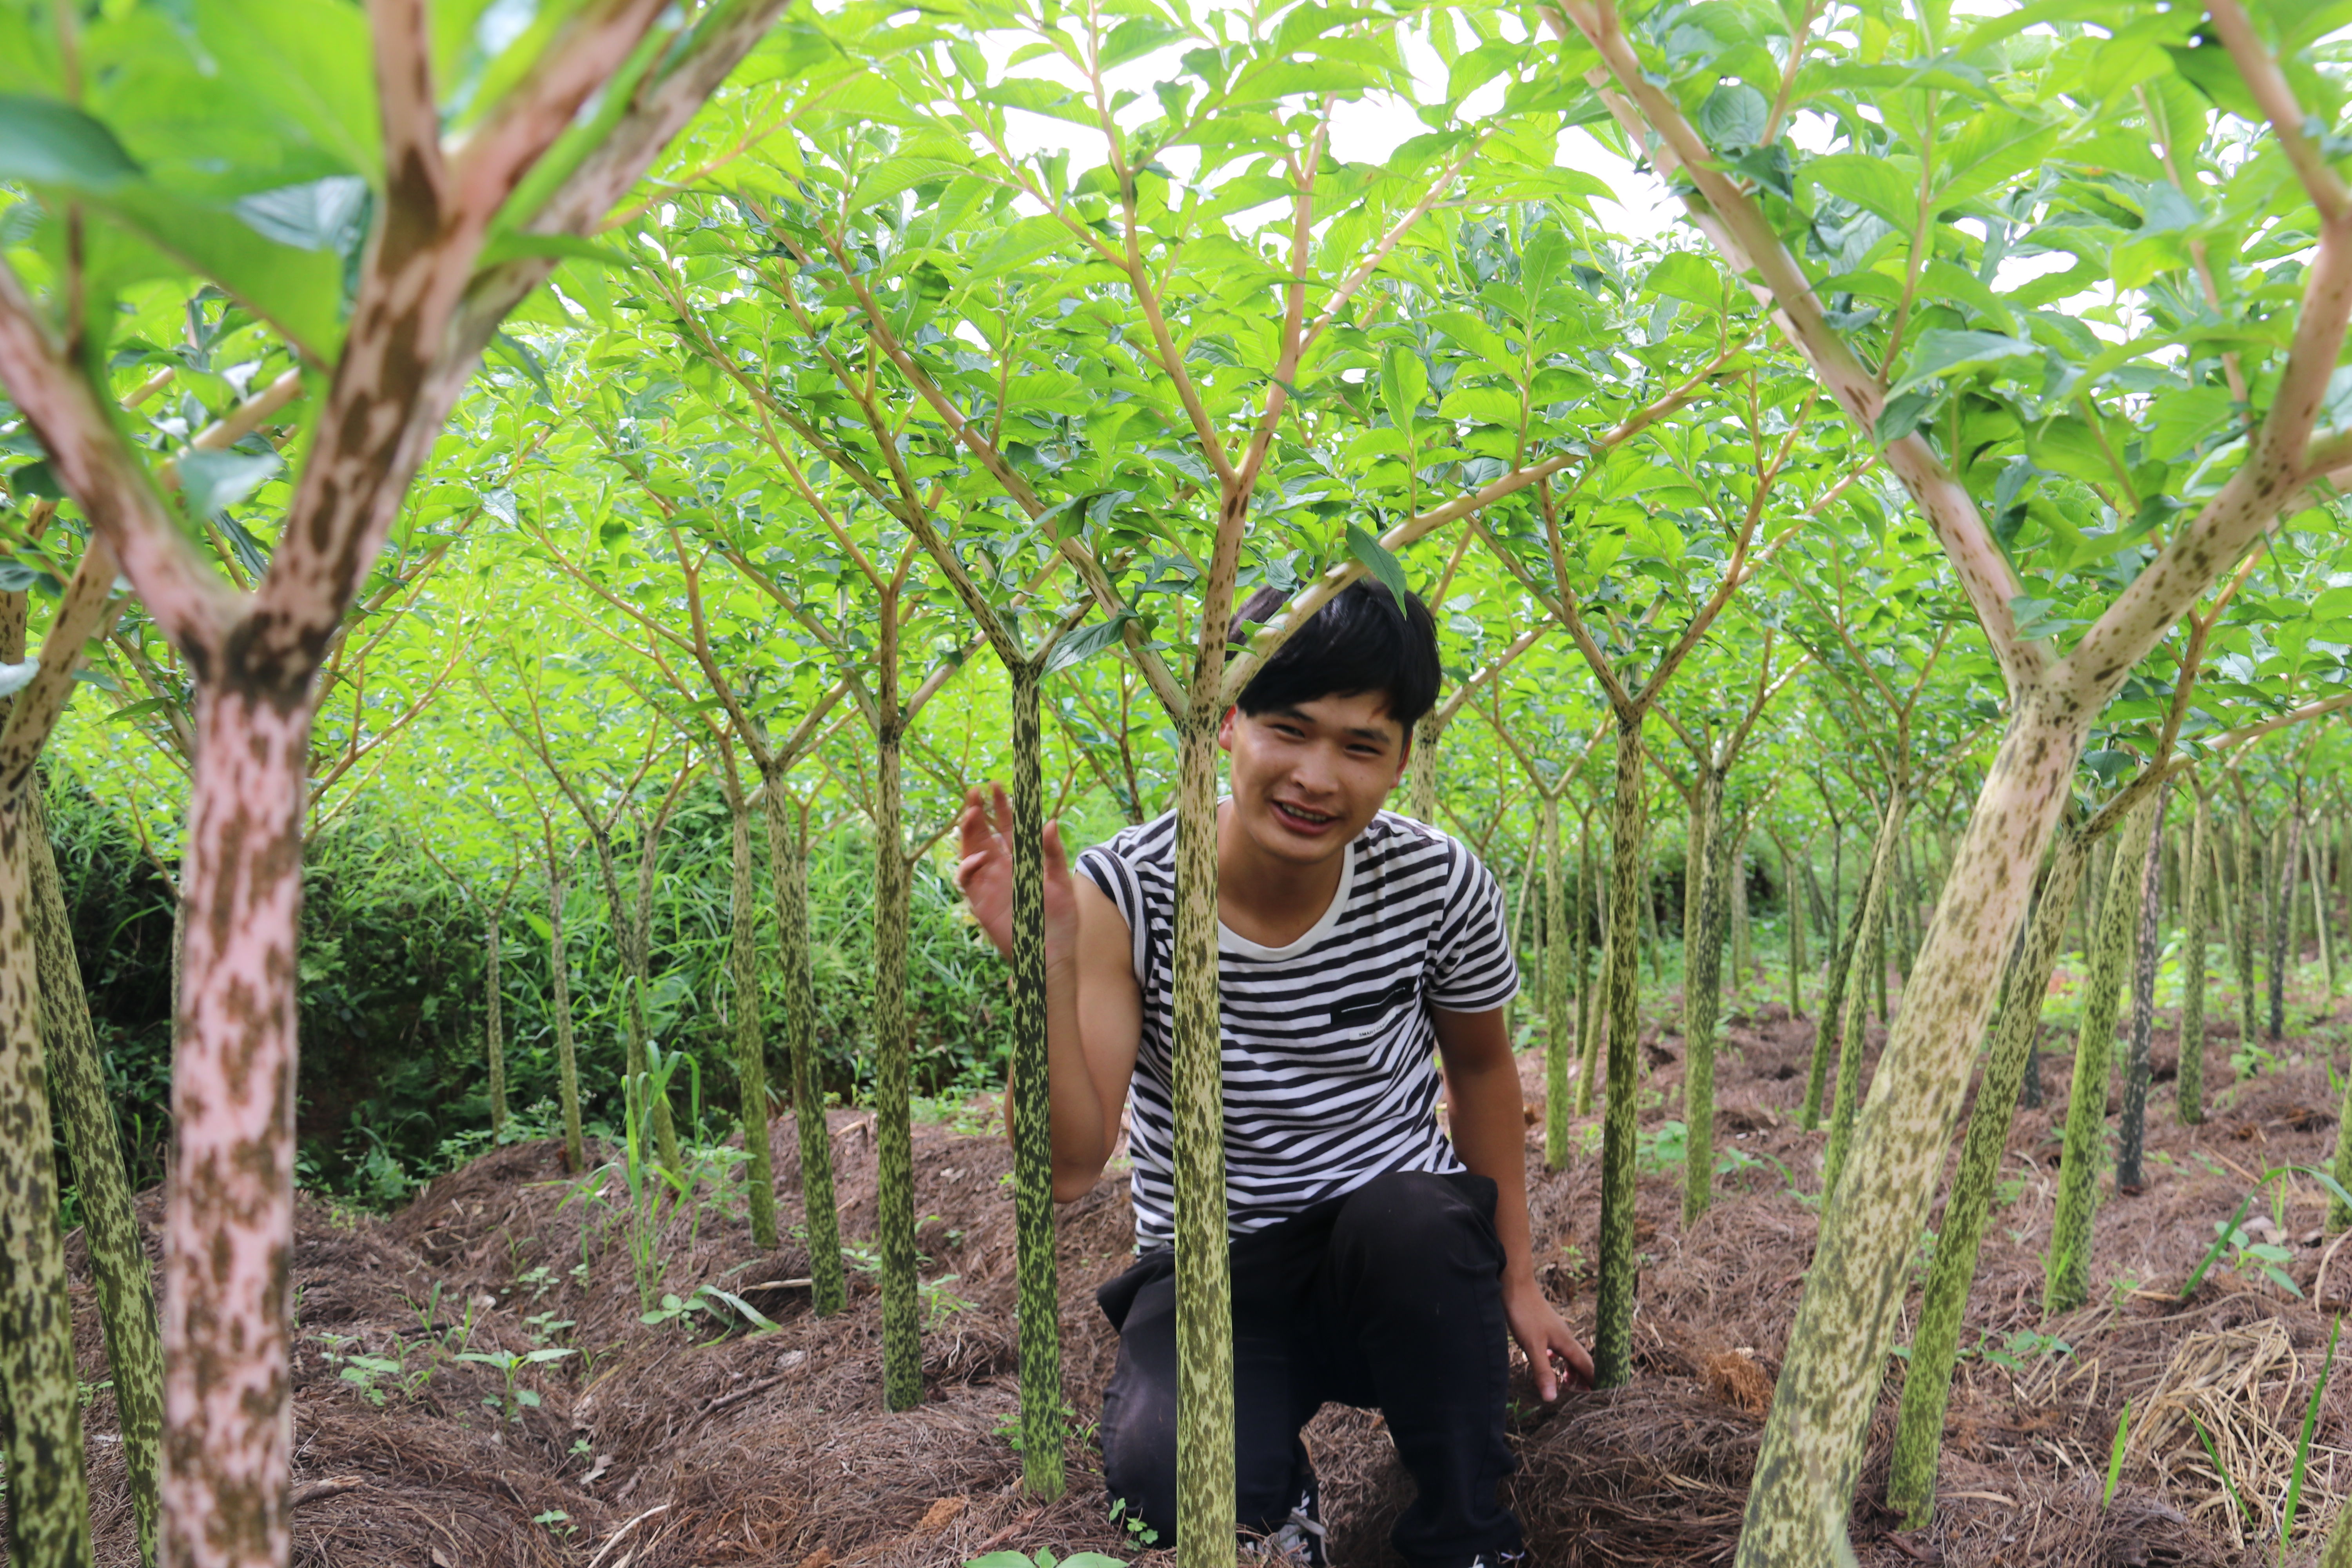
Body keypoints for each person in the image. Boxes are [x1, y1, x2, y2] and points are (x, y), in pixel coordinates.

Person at [954, 581, 1591, 1568]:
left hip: (1396, 1251)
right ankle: (1279, 1513)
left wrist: (1515, 1275)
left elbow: (1481, 1066)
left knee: (1416, 1222)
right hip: (1215, 1266)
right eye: (1288, 730)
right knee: (1163, 1477)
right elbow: (1071, 1165)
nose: (1315, 776)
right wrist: (1047, 966)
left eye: (1360, 744)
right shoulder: (1129, 889)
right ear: (1227, 725)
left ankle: (1464, 1536)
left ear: (1403, 757)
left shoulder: (1437, 880)